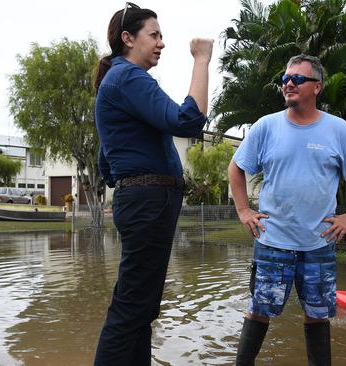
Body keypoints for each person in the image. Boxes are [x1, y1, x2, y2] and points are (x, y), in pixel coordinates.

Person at [228, 54, 346, 366]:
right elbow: (236, 168)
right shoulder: (266, 127)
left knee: (317, 315)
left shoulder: (338, 130)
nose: (289, 83)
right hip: (273, 241)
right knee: (259, 310)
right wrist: (243, 210)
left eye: (298, 78)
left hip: (318, 244)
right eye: (285, 78)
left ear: (317, 86)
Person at [92, 3, 213, 365]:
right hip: (148, 201)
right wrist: (201, 60)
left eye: (161, 36)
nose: (161, 43)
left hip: (144, 200)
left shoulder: (119, 82)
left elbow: (105, 159)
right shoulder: (128, 78)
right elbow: (188, 120)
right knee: (131, 308)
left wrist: (128, 186)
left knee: (141, 308)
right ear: (128, 39)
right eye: (154, 35)